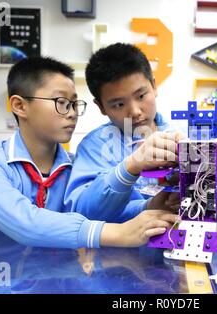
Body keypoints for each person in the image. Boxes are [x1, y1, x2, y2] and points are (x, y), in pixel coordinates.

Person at [0, 56, 177, 249]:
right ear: (19, 106)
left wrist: (148, 206)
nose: (73, 113)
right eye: (62, 103)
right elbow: (26, 222)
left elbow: (105, 215)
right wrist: (119, 233)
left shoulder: (74, 168)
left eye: (75, 103)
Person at [65, 43, 184, 223]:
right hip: (125, 251)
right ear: (101, 107)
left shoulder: (184, 134)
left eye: (141, 96)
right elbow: (82, 213)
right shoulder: (95, 146)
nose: (135, 111)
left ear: (154, 86)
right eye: (119, 104)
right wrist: (130, 167)